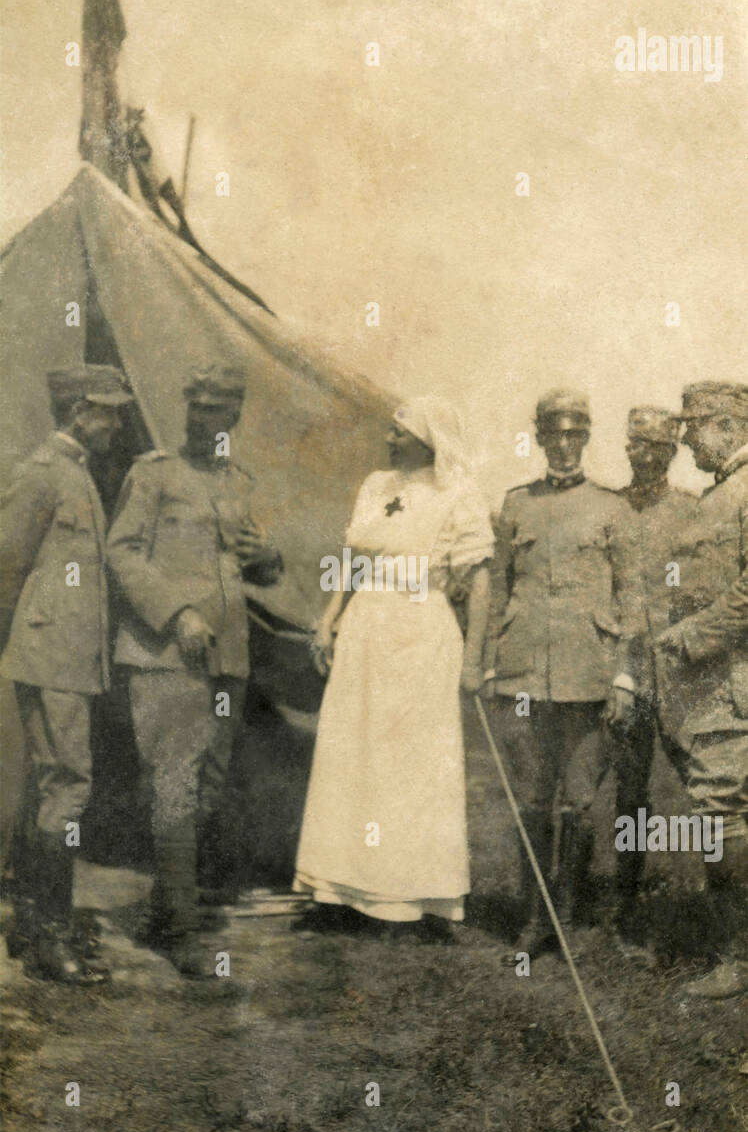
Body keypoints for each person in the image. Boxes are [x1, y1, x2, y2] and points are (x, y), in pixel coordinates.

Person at [292, 396, 493, 940]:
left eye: (398, 432)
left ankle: (411, 899)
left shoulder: (460, 492)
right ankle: (338, 891)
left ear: (428, 439)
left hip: (421, 633)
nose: (388, 440)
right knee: (351, 752)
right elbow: (354, 559)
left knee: (414, 762)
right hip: (365, 630)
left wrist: (473, 659)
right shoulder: (375, 486)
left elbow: (477, 580)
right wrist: (329, 616)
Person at [107, 365, 283, 975]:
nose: (210, 421)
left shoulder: (240, 483)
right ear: (187, 410)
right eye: (200, 409)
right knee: (175, 782)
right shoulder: (153, 474)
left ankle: (162, 909)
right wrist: (175, 611)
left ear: (235, 416)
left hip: (227, 658)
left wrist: (270, 559)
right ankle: (181, 932)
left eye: (222, 411)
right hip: (167, 656)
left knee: (206, 784)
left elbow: (255, 570)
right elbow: (121, 551)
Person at [482, 390, 644, 957]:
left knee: (578, 801)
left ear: (587, 438)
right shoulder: (515, 505)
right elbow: (498, 586)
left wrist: (624, 678)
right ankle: (534, 919)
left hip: (587, 676)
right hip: (524, 675)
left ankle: (567, 920)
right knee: (531, 796)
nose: (566, 446)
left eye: (576, 435)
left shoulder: (612, 509)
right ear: (540, 437)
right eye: (555, 435)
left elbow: (633, 599)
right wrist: (485, 662)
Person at [0, 365, 133, 982]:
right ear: (79, 412)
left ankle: (34, 924)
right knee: (67, 786)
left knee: (57, 784)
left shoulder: (76, 472)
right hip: (51, 651)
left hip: (71, 655)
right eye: (108, 411)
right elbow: (5, 565)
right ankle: (49, 937)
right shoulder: (44, 473)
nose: (116, 422)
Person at [654, 381, 748, 999]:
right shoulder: (721, 493)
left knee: (722, 811)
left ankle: (736, 960)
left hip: (731, 680)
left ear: (728, 427)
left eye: (696, 426)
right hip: (712, 680)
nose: (686, 439)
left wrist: (690, 637)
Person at [612, 406, 697, 950]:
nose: (638, 454)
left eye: (650, 446)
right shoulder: (611, 508)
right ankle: (624, 902)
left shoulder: (693, 510)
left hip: (680, 668)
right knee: (629, 789)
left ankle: (719, 900)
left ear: (669, 453)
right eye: (632, 444)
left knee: (706, 785)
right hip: (627, 670)